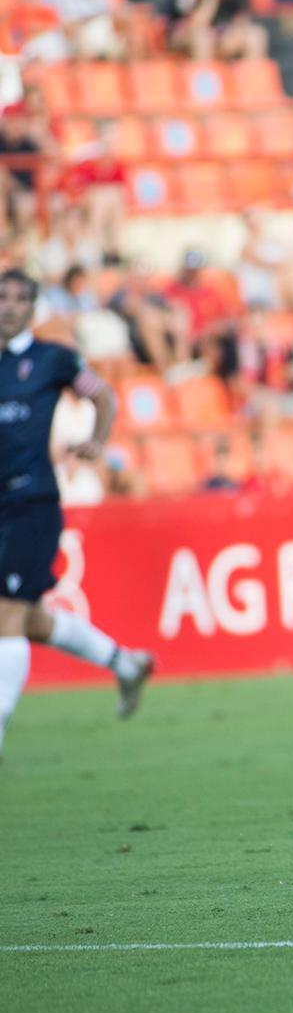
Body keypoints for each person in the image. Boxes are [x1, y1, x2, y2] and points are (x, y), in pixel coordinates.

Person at [0, 270, 154, 759]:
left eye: (19, 299)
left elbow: (102, 394)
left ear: (33, 308)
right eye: (2, 297)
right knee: (30, 620)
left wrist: (98, 439)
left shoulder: (53, 358)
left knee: (7, 613)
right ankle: (123, 663)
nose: (9, 306)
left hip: (34, 501)